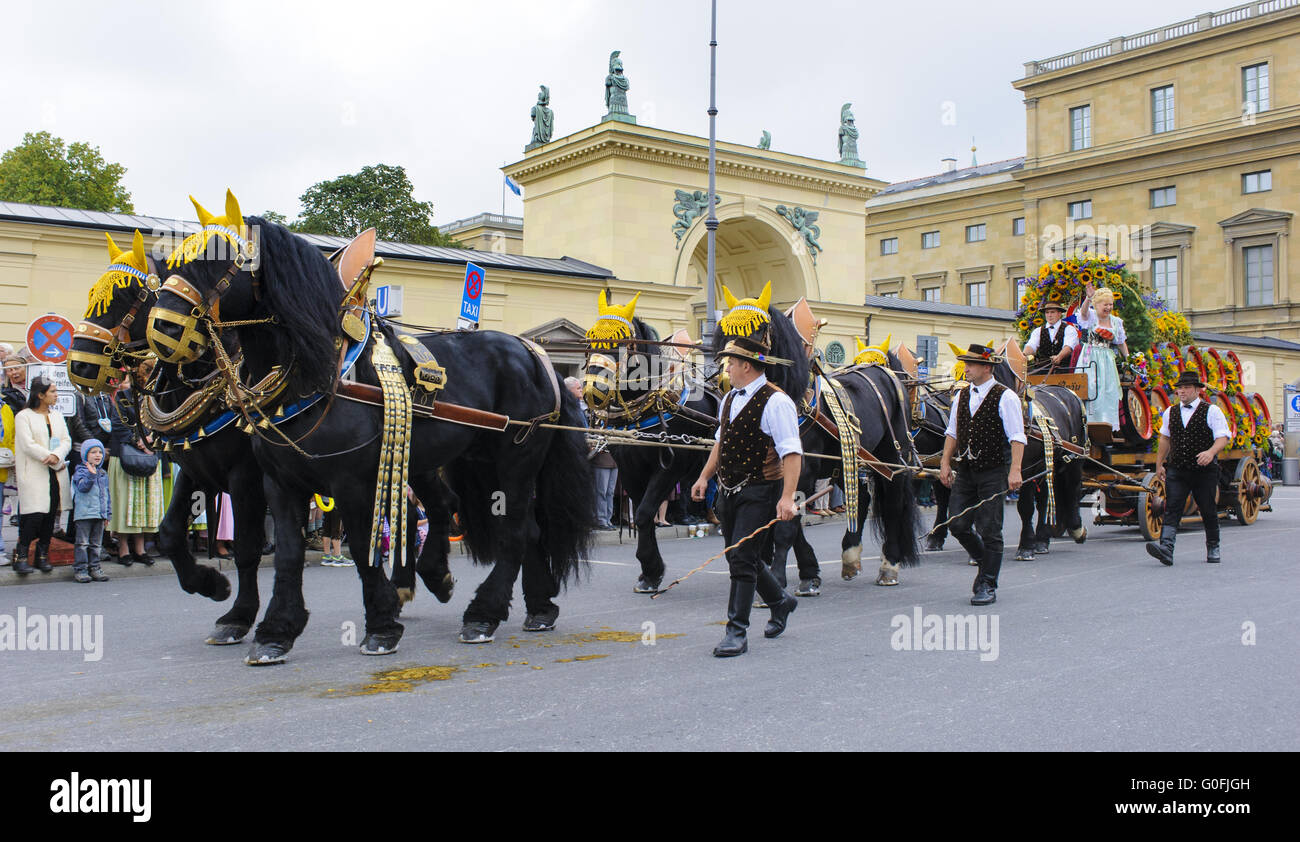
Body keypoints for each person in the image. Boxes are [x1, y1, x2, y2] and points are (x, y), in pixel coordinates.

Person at [691, 332, 801, 658]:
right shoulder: (729, 398)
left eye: (730, 363)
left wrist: (787, 497)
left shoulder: (777, 401)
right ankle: (781, 601)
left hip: (761, 491)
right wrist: (704, 477)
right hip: (729, 490)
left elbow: (791, 453)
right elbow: (720, 442)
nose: (726, 369)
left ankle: (736, 632)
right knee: (739, 555)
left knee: (741, 557)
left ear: (747, 366)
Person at [939, 344, 1026, 606]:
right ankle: (984, 561)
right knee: (956, 523)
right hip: (965, 469)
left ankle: (987, 583)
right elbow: (952, 432)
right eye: (965, 364)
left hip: (994, 469)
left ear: (986, 368)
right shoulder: (961, 396)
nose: (965, 368)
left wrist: (1015, 470)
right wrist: (945, 463)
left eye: (970, 364)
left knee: (990, 528)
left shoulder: (1006, 396)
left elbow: (1017, 437)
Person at [1146, 370, 1231, 565]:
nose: (1181, 392)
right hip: (1178, 468)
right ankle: (1166, 548)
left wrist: (1210, 453)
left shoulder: (1212, 411)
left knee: (1207, 507)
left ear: (1197, 390)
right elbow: (1165, 439)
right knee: (1172, 507)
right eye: (1179, 388)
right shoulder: (1170, 412)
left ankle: (1213, 545)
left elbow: (1223, 437)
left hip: (1204, 471)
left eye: (1186, 388)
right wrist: (1159, 464)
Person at [12, 376, 72, 574]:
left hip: (55, 471)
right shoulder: (24, 416)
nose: (56, 395)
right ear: (40, 394)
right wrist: (49, 456)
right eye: (53, 392)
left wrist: (57, 455)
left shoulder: (56, 415)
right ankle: (20, 556)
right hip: (35, 472)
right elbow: (27, 444)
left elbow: (66, 440)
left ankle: (42, 555)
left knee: (50, 514)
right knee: (34, 515)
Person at [107, 364, 163, 566]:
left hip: (148, 454)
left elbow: (162, 422)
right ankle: (123, 549)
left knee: (143, 505)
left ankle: (139, 549)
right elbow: (118, 425)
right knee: (124, 503)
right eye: (149, 374)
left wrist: (153, 438)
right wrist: (139, 440)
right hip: (125, 455)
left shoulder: (157, 397)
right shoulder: (123, 397)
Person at [1076, 286, 1130, 431]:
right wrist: (1088, 298)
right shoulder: (1092, 316)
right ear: (1097, 305)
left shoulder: (1116, 321)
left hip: (1106, 358)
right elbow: (1083, 313)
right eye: (1105, 304)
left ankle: (1107, 424)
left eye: (1110, 304)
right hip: (1091, 355)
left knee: (1108, 389)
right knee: (1092, 387)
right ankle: (1088, 421)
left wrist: (1129, 359)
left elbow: (1120, 342)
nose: (1108, 307)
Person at [71, 438, 111, 582]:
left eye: (100, 452)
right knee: (82, 543)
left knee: (96, 544)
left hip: (99, 514)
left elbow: (106, 494)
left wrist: (107, 513)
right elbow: (83, 487)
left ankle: (95, 567)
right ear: (85, 455)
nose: (98, 455)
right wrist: (91, 474)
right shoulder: (80, 471)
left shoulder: (103, 473)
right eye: (93, 452)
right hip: (84, 514)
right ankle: (80, 569)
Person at [1022, 301, 1080, 372]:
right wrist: (1023, 355)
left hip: (1063, 370)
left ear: (1059, 314)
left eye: (1052, 312)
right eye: (1047, 312)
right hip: (1042, 370)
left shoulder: (1069, 329)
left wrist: (1059, 357)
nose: (1049, 315)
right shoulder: (1038, 331)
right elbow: (1031, 346)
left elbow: (1068, 347)